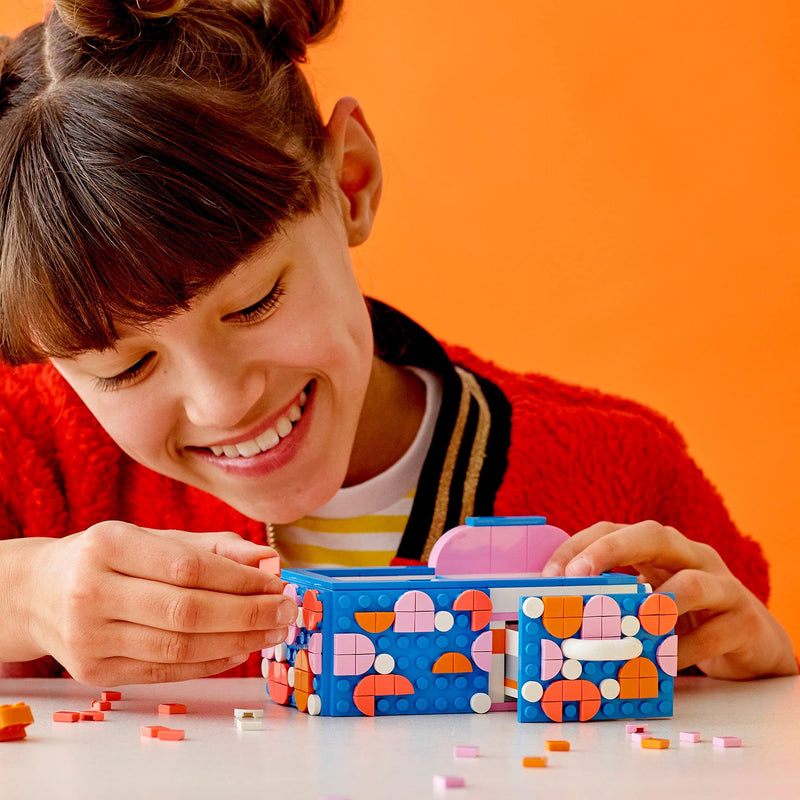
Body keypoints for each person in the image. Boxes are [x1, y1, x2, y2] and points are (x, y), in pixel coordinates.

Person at [0, 0, 795, 687]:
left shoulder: (626, 474)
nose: (222, 401)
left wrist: (762, 675)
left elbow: (749, 686)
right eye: (125, 366)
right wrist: (29, 593)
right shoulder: (32, 450)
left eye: (254, 304)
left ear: (350, 180)